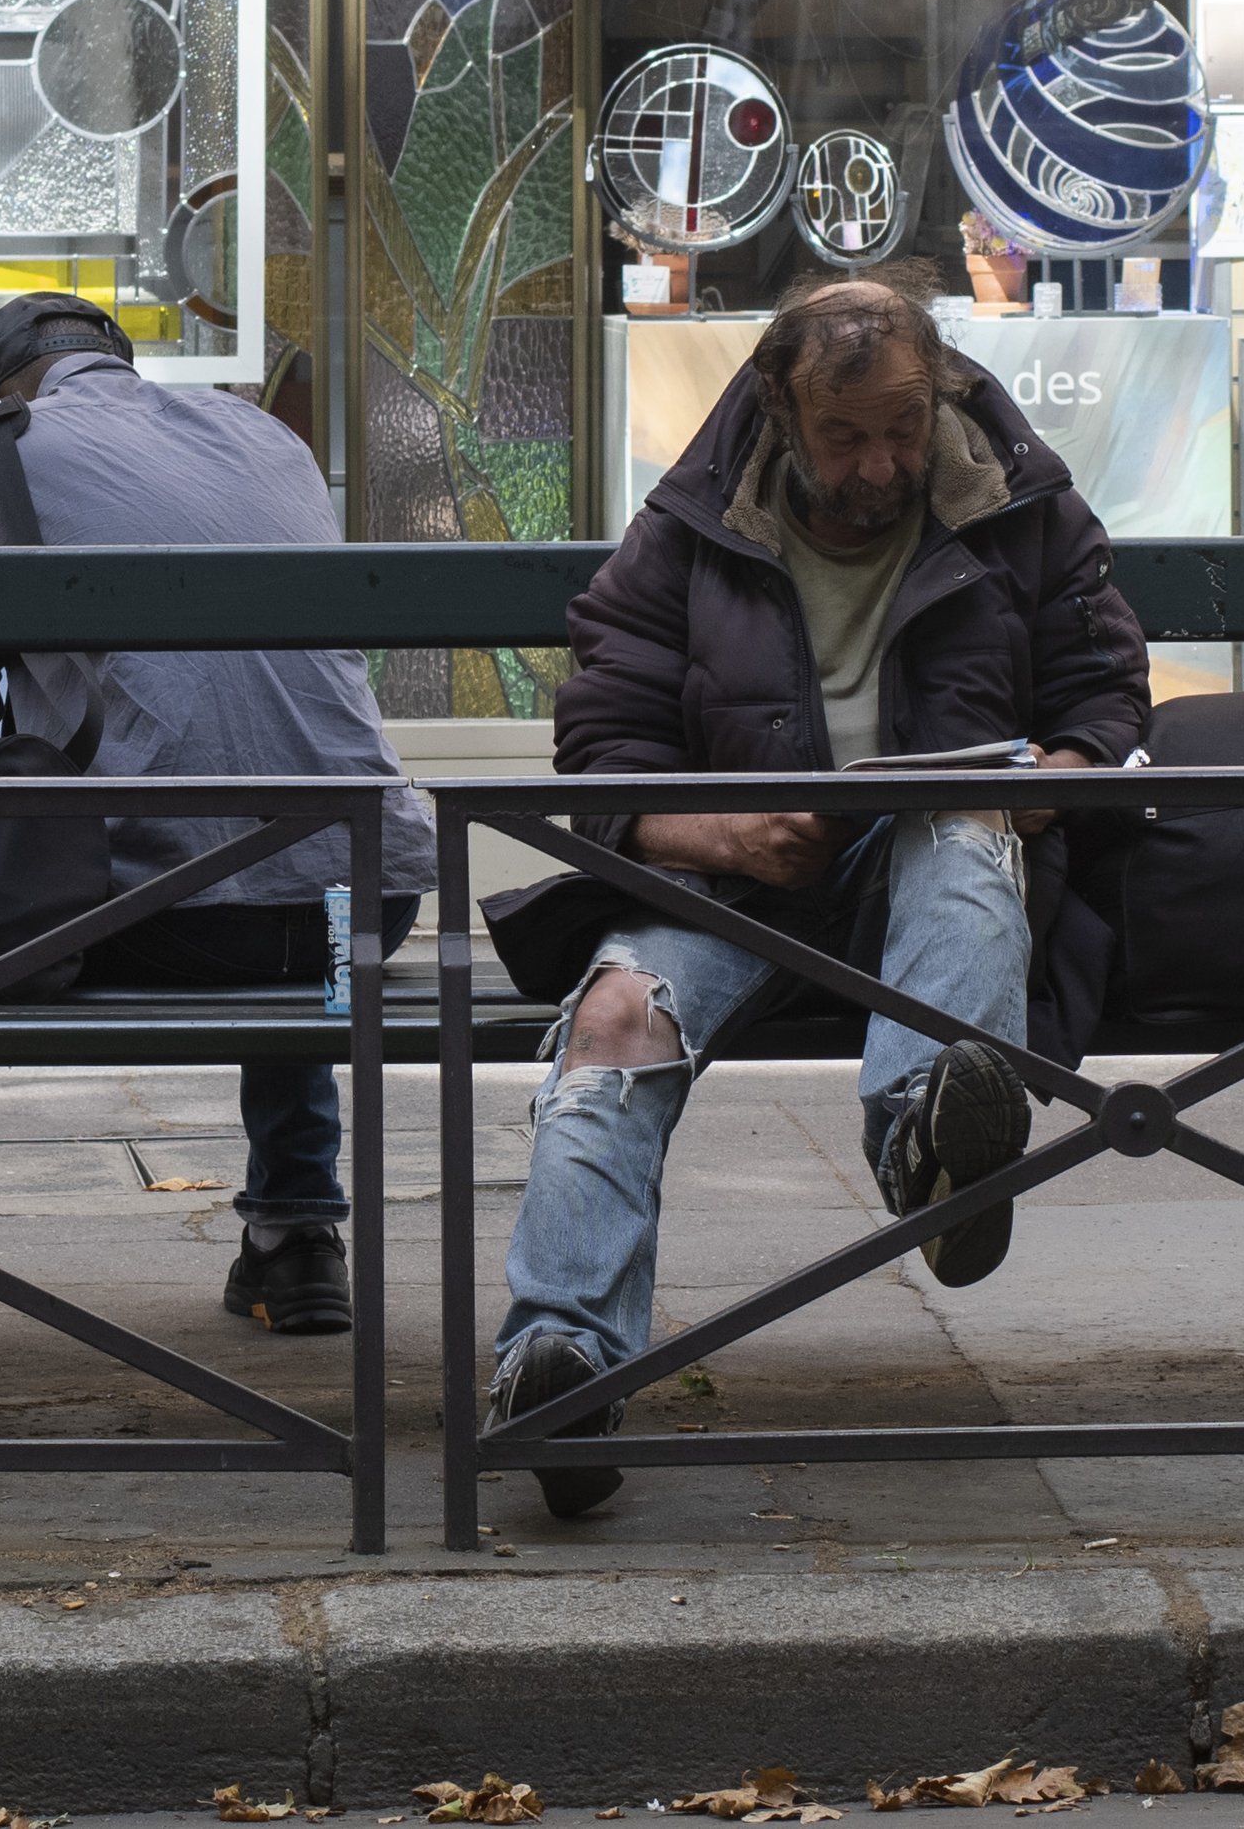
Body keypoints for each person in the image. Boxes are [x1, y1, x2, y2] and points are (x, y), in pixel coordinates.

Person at [481, 272, 1151, 1516]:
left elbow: (1104, 698)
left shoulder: (1016, 506)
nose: (879, 462)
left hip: (937, 862)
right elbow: (604, 756)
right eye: (843, 435)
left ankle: (931, 1146)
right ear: (781, 411)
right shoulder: (688, 525)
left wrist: (1061, 775)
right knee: (616, 1018)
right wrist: (723, 830)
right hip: (741, 871)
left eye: (902, 426)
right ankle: (557, 1364)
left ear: (939, 388)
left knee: (960, 824)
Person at [0, 290, 435, 1359]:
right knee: (288, 858)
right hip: (364, 909)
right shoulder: (262, 437)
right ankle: (295, 1232)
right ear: (118, 363)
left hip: (176, 921)